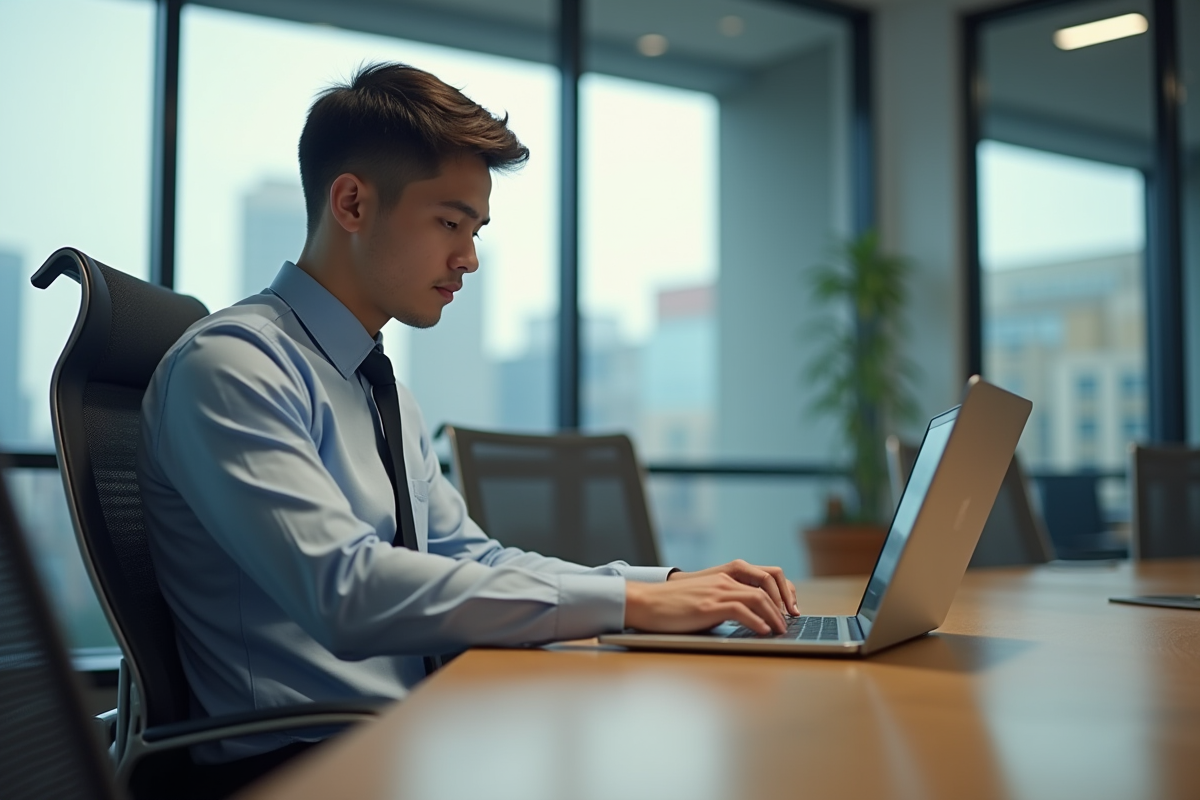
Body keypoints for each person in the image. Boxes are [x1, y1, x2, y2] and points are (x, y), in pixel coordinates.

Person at [137, 62, 799, 786]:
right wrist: (629, 601)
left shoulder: (376, 385)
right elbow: (345, 590)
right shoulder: (233, 367)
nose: (469, 258)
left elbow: (469, 559)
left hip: (415, 732)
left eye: (476, 228)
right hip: (304, 764)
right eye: (450, 222)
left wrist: (663, 585)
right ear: (353, 204)